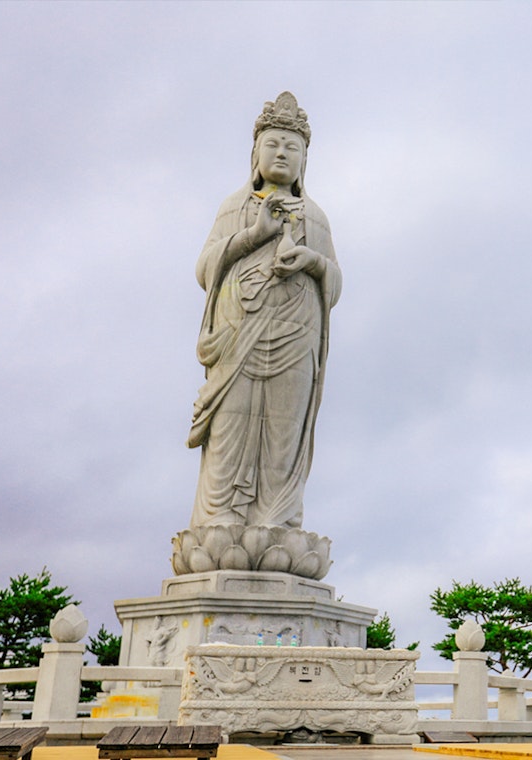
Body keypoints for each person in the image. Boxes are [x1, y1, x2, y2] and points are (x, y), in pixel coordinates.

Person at [187, 91, 342, 531]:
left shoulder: (315, 217)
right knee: (230, 434)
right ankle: (221, 521)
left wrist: (312, 262)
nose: (281, 153)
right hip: (239, 337)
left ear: (304, 161)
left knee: (283, 435)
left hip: (297, 337)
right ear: (255, 154)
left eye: (292, 147)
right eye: (273, 143)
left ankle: (278, 523)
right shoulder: (236, 207)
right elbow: (204, 269)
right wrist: (255, 234)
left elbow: (336, 281)